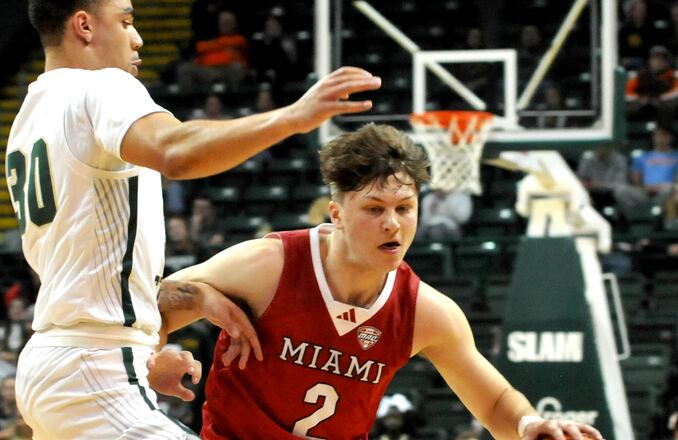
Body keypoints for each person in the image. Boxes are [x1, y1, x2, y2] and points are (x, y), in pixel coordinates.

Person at [11, 1, 380, 439]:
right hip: (92, 366)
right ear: (85, 26)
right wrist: (292, 118)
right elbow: (175, 151)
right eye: (126, 21)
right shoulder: (101, 88)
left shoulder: (30, 116)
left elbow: (87, 270)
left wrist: (154, 339)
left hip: (57, 362)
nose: (138, 37)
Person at [164, 124, 603, 439]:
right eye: (374, 209)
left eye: (405, 208)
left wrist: (529, 425)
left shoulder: (426, 312)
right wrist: (172, 331)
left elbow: (494, 403)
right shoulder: (271, 266)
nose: (392, 224)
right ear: (336, 215)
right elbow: (145, 304)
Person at [625, 46, 678, 127]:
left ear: (667, 62)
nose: (658, 62)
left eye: (661, 60)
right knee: (627, 107)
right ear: (649, 61)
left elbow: (675, 95)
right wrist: (640, 99)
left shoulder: (674, 76)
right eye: (655, 59)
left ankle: (662, 134)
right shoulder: (640, 76)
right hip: (643, 106)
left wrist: (659, 99)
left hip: (665, 108)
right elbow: (627, 94)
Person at [631, 126, 678, 207]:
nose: (661, 138)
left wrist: (661, 186)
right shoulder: (642, 157)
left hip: (669, 190)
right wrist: (645, 188)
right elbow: (636, 179)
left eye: (664, 135)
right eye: (657, 135)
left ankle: (662, 213)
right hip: (645, 192)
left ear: (671, 137)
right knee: (622, 191)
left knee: (669, 188)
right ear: (653, 138)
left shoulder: (676, 156)